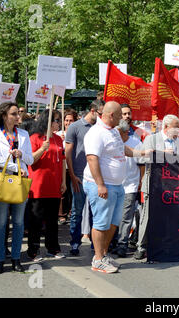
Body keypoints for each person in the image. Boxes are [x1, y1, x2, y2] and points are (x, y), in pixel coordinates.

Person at [83, 101, 151, 273]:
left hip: (117, 185)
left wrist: (141, 153)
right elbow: (92, 158)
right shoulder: (96, 133)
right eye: (120, 115)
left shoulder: (113, 131)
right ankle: (97, 259)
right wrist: (100, 184)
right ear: (111, 115)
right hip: (102, 185)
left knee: (113, 222)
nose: (123, 118)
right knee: (101, 222)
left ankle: (103, 254)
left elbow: (123, 149)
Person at [0, 102, 34, 274]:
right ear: (5, 116)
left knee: (19, 222)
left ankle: (15, 258)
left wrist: (22, 155)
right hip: (3, 180)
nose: (17, 117)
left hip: (21, 181)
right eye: (14, 114)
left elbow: (31, 160)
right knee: (0, 223)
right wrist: (15, 166)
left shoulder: (23, 134)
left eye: (17, 114)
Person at [134, 114, 179, 260]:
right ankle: (141, 246)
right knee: (147, 215)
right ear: (165, 127)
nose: (177, 130)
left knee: (169, 216)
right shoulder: (152, 139)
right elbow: (141, 158)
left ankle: (166, 244)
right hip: (152, 183)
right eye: (175, 127)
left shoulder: (178, 142)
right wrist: (161, 154)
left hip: (171, 186)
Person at [26, 109, 66, 261]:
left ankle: (53, 248)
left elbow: (62, 161)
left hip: (54, 185)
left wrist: (63, 181)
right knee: (35, 220)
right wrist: (42, 148)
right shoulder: (35, 138)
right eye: (56, 120)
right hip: (38, 186)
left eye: (59, 120)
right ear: (48, 121)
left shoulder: (58, 139)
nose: (59, 122)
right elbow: (30, 160)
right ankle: (33, 250)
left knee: (52, 220)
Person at [65, 100, 104, 256]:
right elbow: (68, 152)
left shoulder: (100, 128)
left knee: (96, 211)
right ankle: (75, 243)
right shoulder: (75, 127)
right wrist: (72, 175)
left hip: (96, 176)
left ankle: (96, 245)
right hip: (79, 175)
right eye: (100, 113)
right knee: (77, 211)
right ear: (93, 111)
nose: (102, 116)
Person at [114, 119, 143, 258]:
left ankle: (122, 244)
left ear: (126, 132)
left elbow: (142, 165)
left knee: (126, 217)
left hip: (130, 185)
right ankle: (112, 242)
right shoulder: (113, 142)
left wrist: (140, 182)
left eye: (118, 133)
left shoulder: (136, 143)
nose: (115, 135)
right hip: (114, 185)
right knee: (114, 216)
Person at [56, 109, 77, 225]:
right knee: (63, 191)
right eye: (66, 120)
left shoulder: (77, 134)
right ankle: (61, 214)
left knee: (73, 191)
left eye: (71, 120)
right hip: (62, 167)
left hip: (73, 166)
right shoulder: (59, 135)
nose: (68, 123)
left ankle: (71, 211)